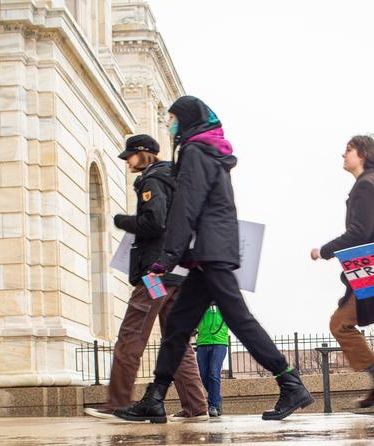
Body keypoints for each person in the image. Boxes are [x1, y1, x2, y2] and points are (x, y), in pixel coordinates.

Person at [115, 95, 313, 423]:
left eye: (174, 118)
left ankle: (290, 382)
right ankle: (155, 397)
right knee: (177, 327)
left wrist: (167, 257)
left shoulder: (195, 151)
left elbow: (186, 206)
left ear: (188, 120)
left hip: (212, 253)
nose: (170, 125)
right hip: (207, 254)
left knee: (240, 322)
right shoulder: (207, 151)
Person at [84, 134, 208, 423]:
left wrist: (122, 221)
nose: (127, 160)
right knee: (176, 339)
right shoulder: (175, 179)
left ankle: (117, 403)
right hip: (179, 272)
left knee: (131, 334)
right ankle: (196, 405)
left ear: (144, 154)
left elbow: (154, 222)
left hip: (157, 274)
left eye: (130, 155)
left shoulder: (152, 181)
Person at [311, 135, 374, 409]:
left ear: (363, 154)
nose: (343, 155)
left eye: (348, 150)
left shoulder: (366, 185)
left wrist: (323, 250)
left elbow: (359, 232)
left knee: (341, 324)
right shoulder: (370, 184)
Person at [196, 303, 229, 417]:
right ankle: (216, 398)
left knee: (214, 372)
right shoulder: (200, 302)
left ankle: (213, 405)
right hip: (202, 342)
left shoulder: (224, 301)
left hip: (219, 343)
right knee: (203, 374)